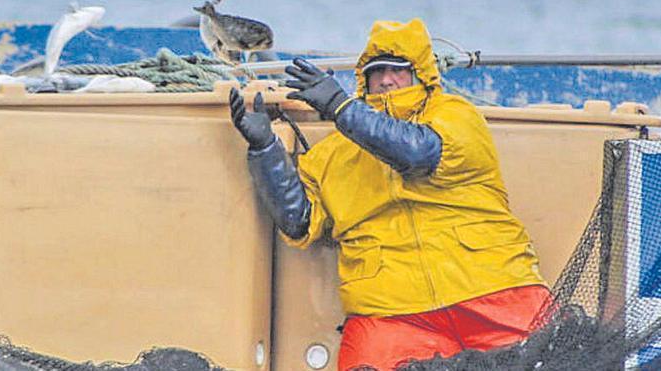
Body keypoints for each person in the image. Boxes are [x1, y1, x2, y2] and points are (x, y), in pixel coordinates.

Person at [229, 18, 549, 370]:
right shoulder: (330, 154)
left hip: (493, 291)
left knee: (552, 357)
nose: (385, 79)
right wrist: (264, 149)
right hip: (390, 311)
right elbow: (299, 222)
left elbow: (417, 153)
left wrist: (340, 106)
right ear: (363, 80)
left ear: (422, 75)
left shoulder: (456, 117)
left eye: (398, 70)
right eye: (375, 71)